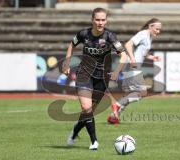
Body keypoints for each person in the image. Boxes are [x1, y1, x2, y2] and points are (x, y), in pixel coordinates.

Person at [62, 7, 127, 150]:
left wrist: (117, 71)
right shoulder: (83, 34)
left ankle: (75, 131)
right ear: (92, 20)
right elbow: (71, 45)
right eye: (97, 19)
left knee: (89, 112)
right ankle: (94, 142)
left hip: (102, 77)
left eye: (103, 20)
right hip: (84, 74)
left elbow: (123, 55)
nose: (100, 22)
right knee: (86, 107)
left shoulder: (110, 37)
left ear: (106, 20)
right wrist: (66, 63)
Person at [107, 18, 162, 124]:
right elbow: (128, 44)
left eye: (160, 30)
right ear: (150, 26)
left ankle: (113, 116)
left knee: (135, 94)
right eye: (157, 29)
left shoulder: (149, 37)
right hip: (132, 65)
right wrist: (132, 59)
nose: (158, 31)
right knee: (141, 92)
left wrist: (152, 57)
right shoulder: (143, 34)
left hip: (134, 65)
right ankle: (117, 105)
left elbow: (143, 53)